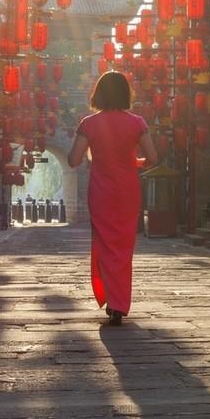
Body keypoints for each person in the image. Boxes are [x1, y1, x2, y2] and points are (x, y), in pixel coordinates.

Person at [68, 71, 158, 325]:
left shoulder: (88, 124)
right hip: (127, 191)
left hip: (100, 192)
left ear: (98, 94)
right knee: (123, 246)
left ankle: (111, 298)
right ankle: (119, 303)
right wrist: (133, 162)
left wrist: (94, 156)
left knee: (105, 244)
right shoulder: (137, 123)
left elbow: (73, 160)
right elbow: (153, 158)